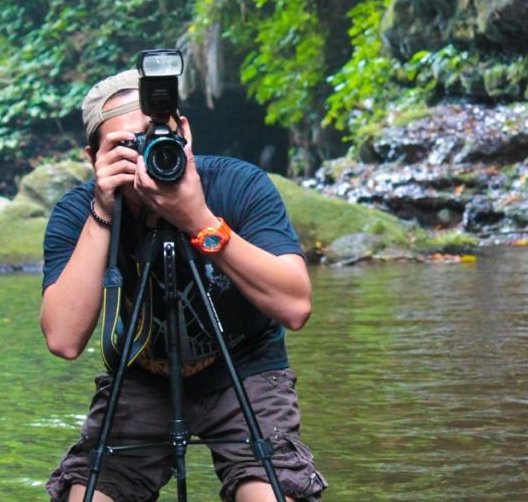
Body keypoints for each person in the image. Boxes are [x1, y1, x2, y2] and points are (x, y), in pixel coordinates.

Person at [40, 70, 327, 502]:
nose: (146, 155)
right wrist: (103, 212)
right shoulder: (78, 213)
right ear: (93, 157)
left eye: (157, 136)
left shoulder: (237, 185)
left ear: (184, 131)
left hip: (244, 368)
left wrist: (198, 219)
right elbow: (63, 340)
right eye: (125, 146)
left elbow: (296, 305)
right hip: (140, 379)